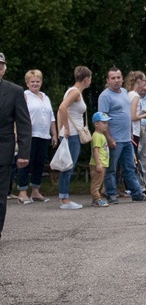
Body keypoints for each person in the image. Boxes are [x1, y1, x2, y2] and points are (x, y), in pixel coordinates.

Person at [97, 68, 146, 204]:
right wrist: (108, 138)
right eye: (113, 78)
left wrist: (130, 133)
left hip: (127, 138)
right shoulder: (105, 96)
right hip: (114, 139)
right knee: (111, 168)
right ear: (108, 80)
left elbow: (127, 114)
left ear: (122, 79)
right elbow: (102, 119)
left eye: (118, 77)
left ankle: (136, 193)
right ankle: (111, 194)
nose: (116, 80)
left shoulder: (123, 92)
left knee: (130, 167)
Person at [0, 53, 31, 239]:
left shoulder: (14, 91)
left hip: (3, 150)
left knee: (0, 195)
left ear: (4, 69)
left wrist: (23, 152)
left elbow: (24, 123)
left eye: (1, 65)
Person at [16, 70, 58, 205]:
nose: (35, 83)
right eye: (32, 81)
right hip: (29, 135)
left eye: (37, 81)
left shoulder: (45, 97)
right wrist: (17, 132)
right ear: (27, 83)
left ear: (41, 82)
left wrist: (54, 134)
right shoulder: (24, 96)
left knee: (39, 164)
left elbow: (51, 117)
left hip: (44, 135)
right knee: (25, 162)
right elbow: (17, 115)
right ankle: (22, 192)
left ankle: (35, 191)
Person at [55, 66, 93, 209]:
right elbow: (62, 107)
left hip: (70, 133)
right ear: (86, 79)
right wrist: (66, 128)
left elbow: (62, 110)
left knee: (67, 165)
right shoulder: (75, 92)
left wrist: (60, 129)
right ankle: (64, 199)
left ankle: (63, 196)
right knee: (68, 166)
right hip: (72, 134)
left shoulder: (73, 91)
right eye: (90, 79)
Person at [128, 71, 146, 192]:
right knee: (135, 157)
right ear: (138, 82)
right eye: (144, 84)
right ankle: (133, 186)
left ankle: (142, 186)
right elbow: (133, 116)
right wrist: (143, 115)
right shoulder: (133, 96)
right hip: (136, 128)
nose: (145, 87)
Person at [89, 112, 111, 207]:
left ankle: (96, 199)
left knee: (99, 182)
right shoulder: (97, 135)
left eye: (106, 123)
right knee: (96, 183)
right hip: (98, 163)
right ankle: (97, 199)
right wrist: (98, 163)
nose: (106, 125)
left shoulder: (101, 135)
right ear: (96, 124)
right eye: (103, 123)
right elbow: (95, 150)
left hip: (103, 163)